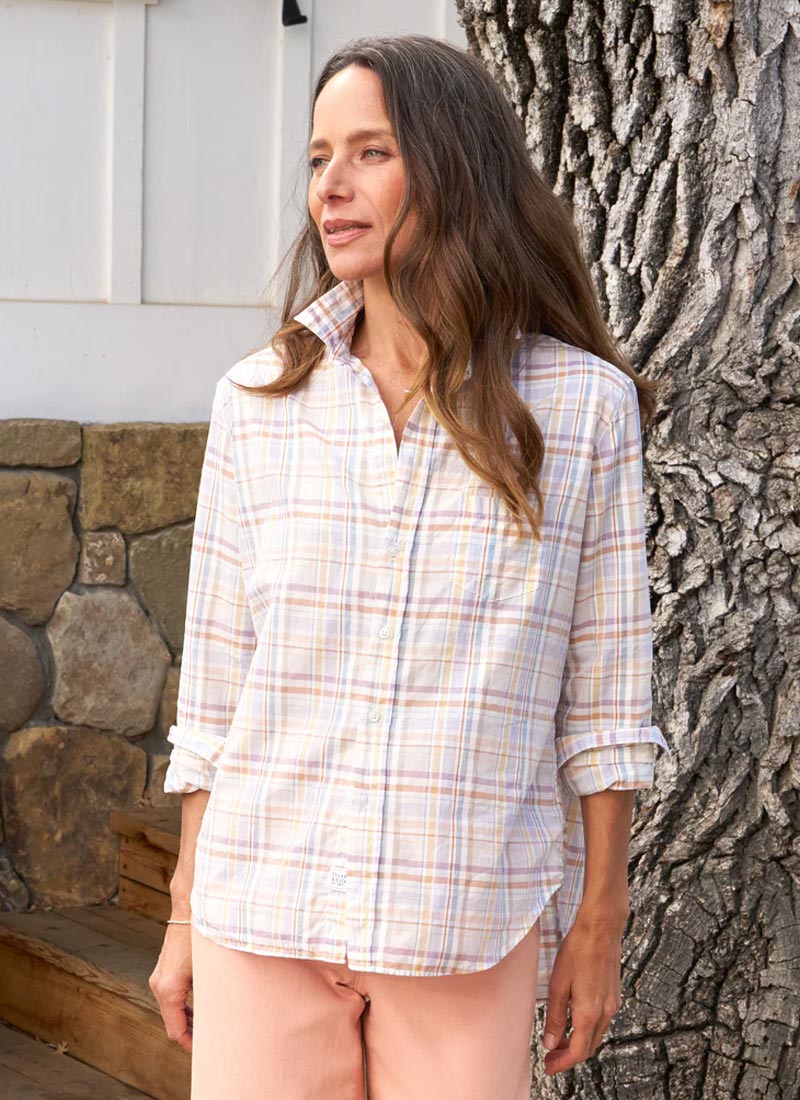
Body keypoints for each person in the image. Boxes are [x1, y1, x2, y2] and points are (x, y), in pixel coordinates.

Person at [148, 32, 671, 1100]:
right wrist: (185, 913)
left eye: (369, 152)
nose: (329, 188)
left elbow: (607, 702)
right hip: (263, 909)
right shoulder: (258, 402)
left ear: (453, 166)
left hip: (463, 919)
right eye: (315, 158)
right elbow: (215, 697)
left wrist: (596, 921)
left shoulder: (578, 412)